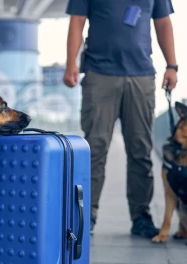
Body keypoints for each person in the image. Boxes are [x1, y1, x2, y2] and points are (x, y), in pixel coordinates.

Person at [63, 0, 177, 238]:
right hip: (99, 74)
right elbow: (77, 21)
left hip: (141, 75)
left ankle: (141, 217)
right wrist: (70, 63)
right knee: (94, 149)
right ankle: (86, 216)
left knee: (141, 150)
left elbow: (163, 22)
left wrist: (172, 65)